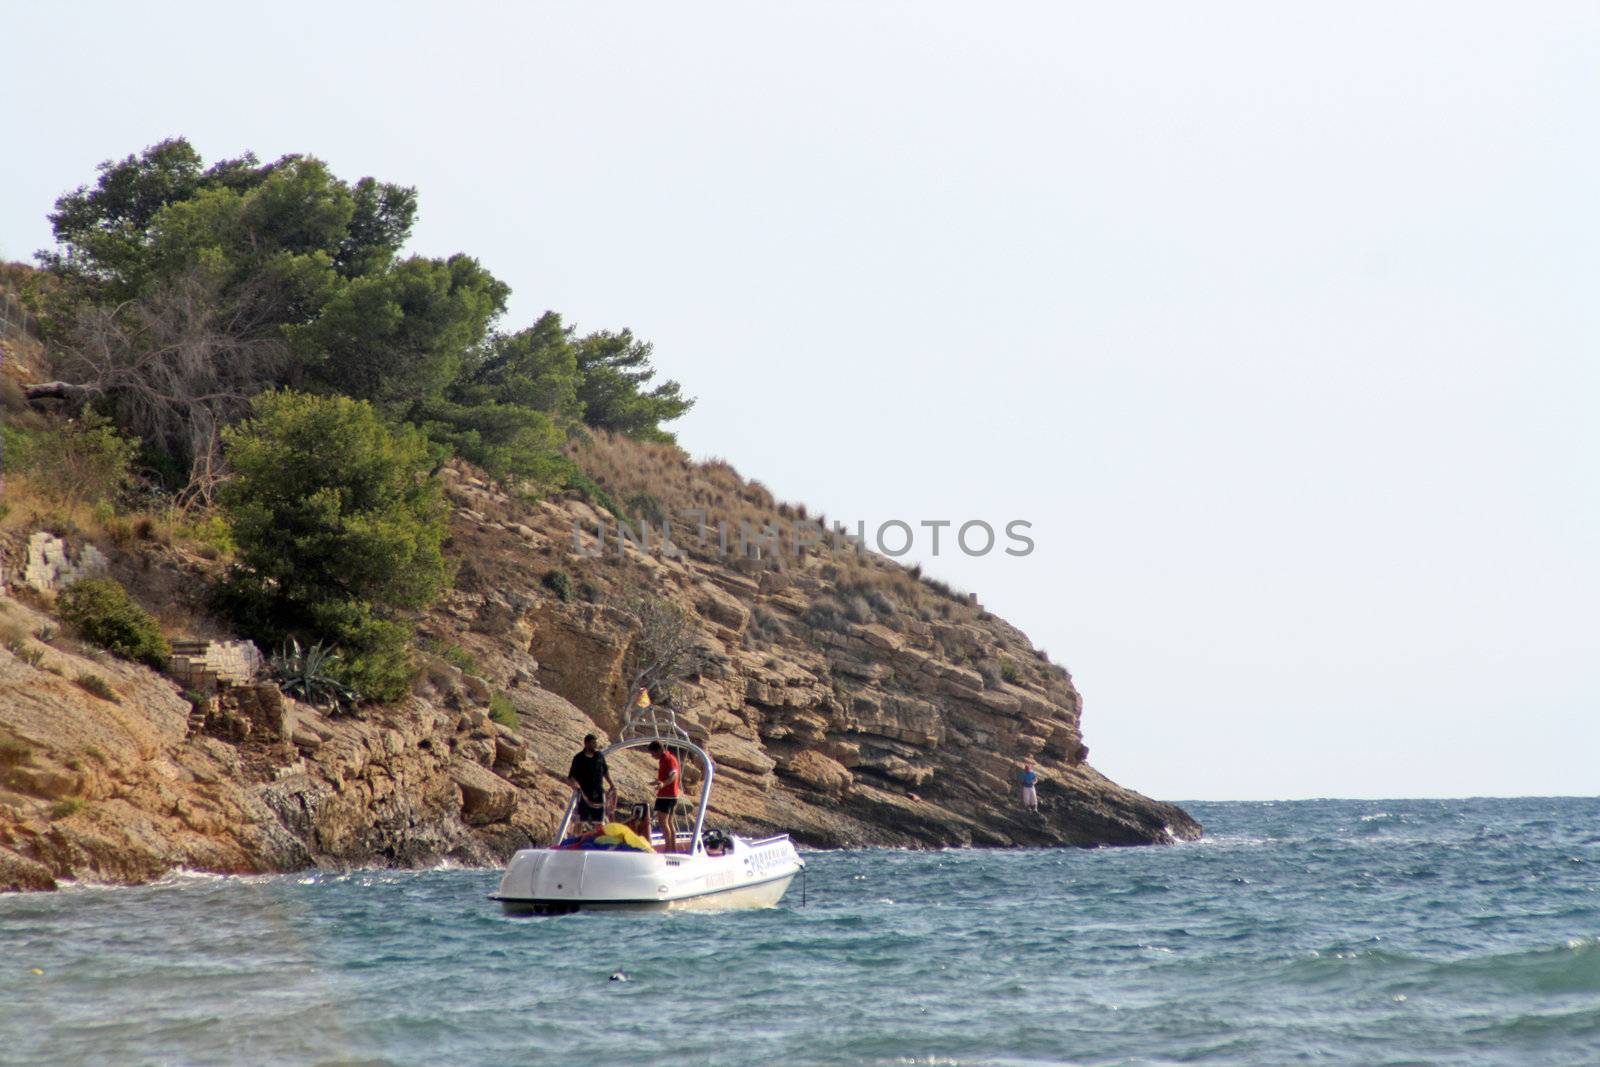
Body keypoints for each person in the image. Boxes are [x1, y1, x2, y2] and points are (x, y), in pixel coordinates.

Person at [566, 734, 614, 830]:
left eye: (595, 743)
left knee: (599, 820)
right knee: (581, 819)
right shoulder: (578, 758)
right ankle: (577, 839)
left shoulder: (599, 756)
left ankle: (598, 840)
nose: (595, 745)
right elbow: (571, 776)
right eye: (593, 743)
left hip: (598, 792)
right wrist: (576, 786)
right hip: (584, 792)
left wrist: (612, 784)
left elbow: (605, 771)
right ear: (586, 743)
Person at [647, 740, 681, 853]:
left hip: (667, 796)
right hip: (671, 795)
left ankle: (668, 850)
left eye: (653, 754)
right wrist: (658, 781)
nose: (652, 756)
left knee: (663, 822)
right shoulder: (665, 759)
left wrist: (663, 784)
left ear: (659, 750)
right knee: (669, 822)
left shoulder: (668, 759)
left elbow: (674, 775)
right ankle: (673, 849)